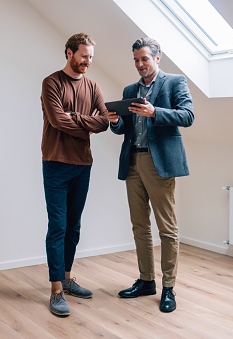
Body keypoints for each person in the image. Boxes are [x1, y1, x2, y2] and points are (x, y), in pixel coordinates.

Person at [107, 37, 194, 313]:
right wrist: (116, 121)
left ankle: (168, 287)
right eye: (135, 60)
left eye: (144, 59)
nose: (139, 64)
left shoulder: (174, 82)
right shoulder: (130, 89)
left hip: (160, 164)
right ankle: (146, 281)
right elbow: (125, 129)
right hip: (133, 160)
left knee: (167, 229)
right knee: (139, 226)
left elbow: (187, 115)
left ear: (157, 58)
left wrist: (155, 111)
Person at [41, 33, 109, 316]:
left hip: (83, 164)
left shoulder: (93, 86)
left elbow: (105, 121)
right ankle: (56, 289)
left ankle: (67, 278)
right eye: (84, 56)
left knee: (74, 226)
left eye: (91, 57)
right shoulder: (51, 83)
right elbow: (57, 120)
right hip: (56, 163)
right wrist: (88, 123)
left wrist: (78, 119)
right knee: (58, 226)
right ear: (69, 53)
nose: (88, 62)